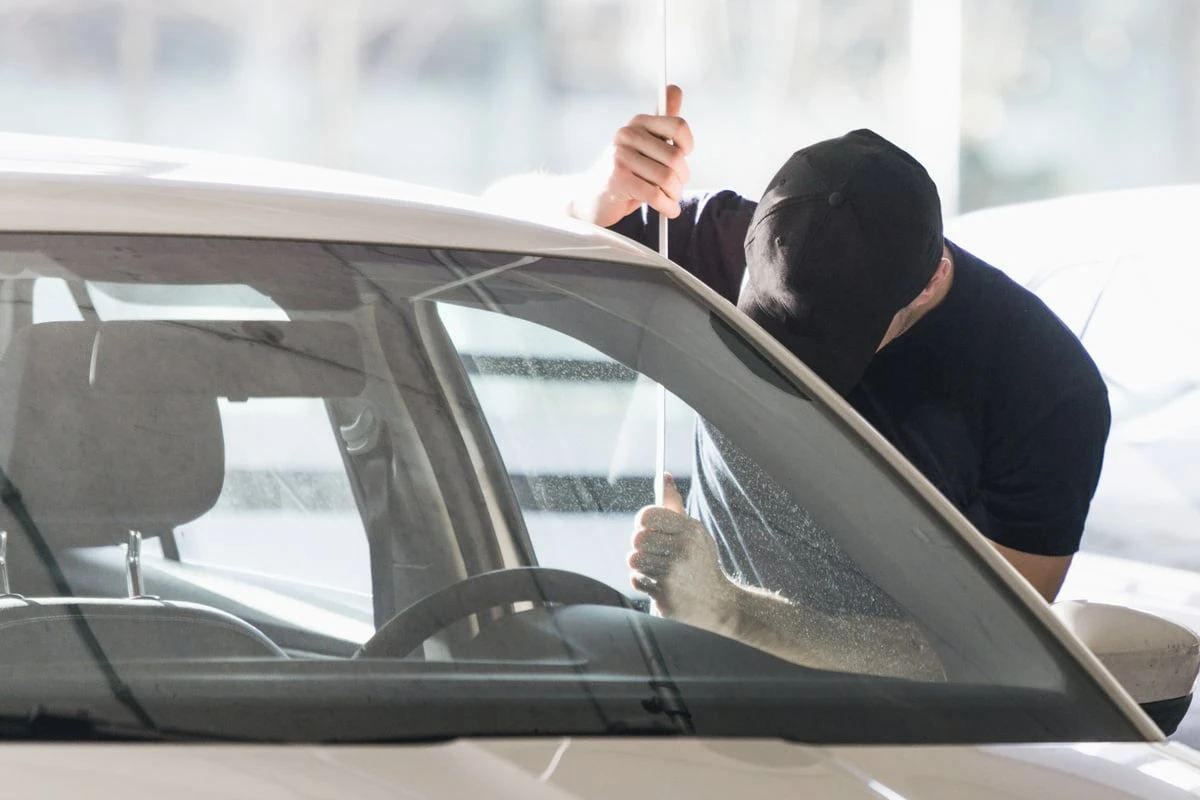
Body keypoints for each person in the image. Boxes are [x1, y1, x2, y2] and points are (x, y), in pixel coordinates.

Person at [486, 86, 1109, 675]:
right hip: (683, 694)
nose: (785, 372)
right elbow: (487, 227)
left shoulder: (1046, 392)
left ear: (929, 282)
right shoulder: (731, 242)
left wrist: (736, 613)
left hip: (893, 747)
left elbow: (996, 651)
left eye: (824, 348)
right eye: (767, 328)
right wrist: (590, 198)